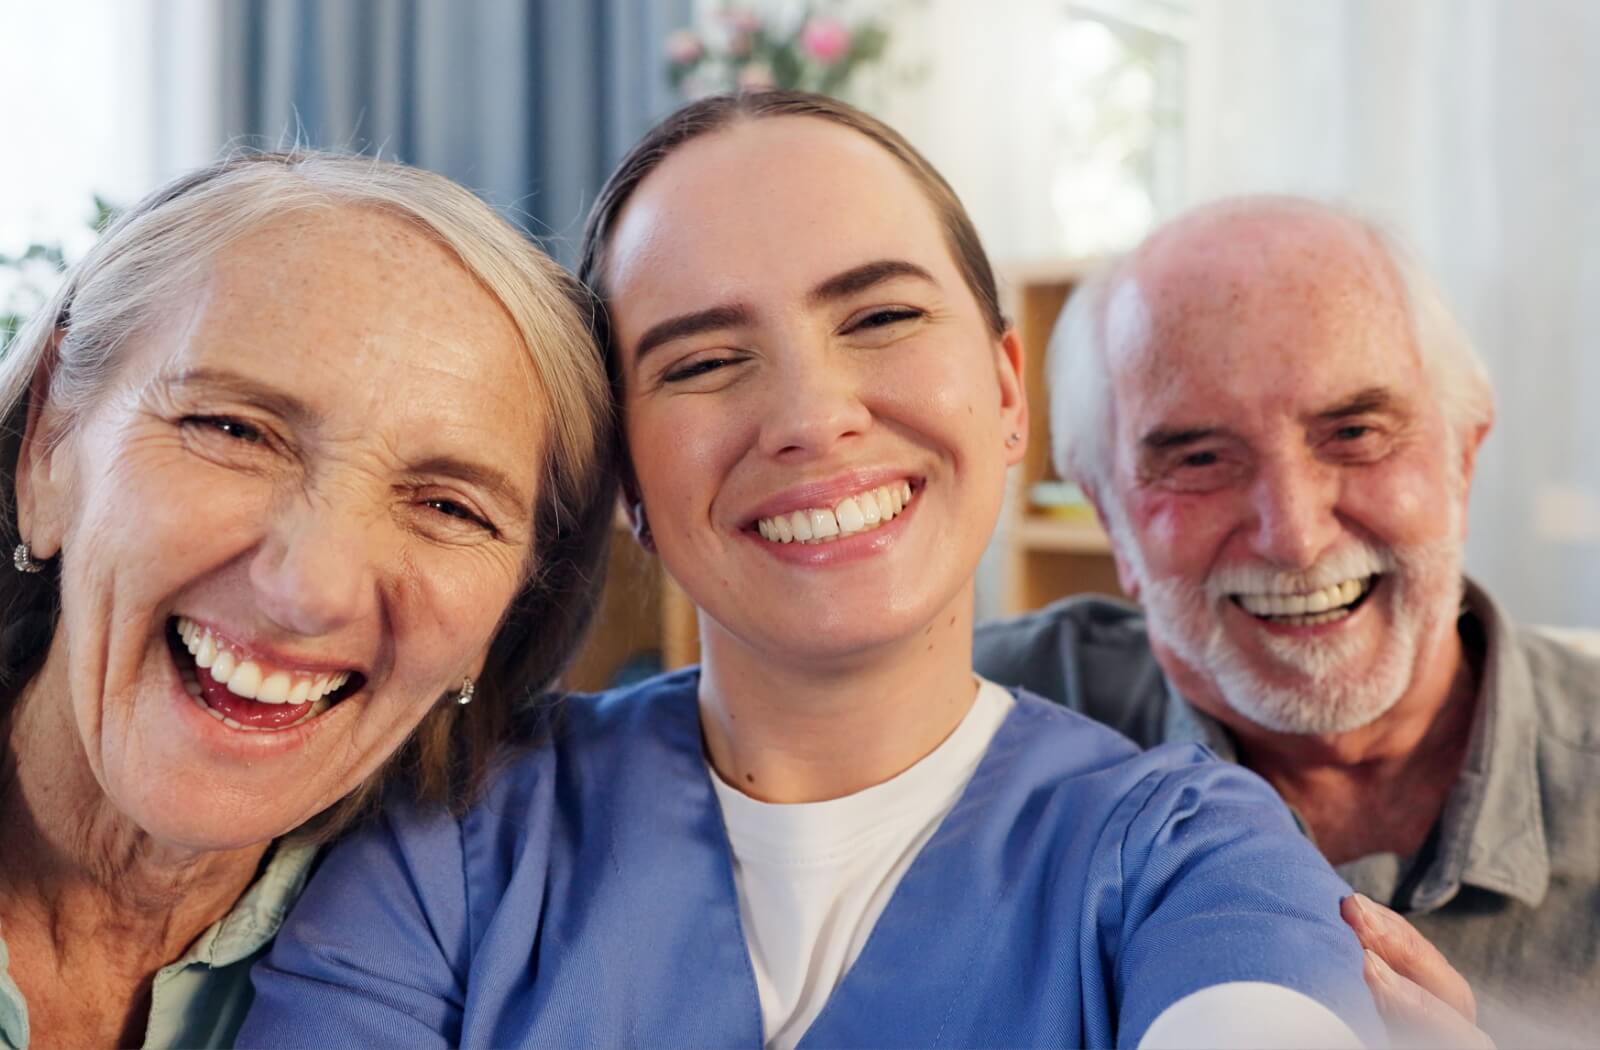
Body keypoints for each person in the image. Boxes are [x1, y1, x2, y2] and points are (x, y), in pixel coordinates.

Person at [241, 94, 1382, 1049]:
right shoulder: (452, 840)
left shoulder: (1193, 856)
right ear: (624, 480)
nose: (810, 417)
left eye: (880, 315)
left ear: (1003, 392)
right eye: (703, 360)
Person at [0, 149, 615, 1047]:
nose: (308, 593)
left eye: (449, 507)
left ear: (501, 617)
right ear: (53, 443)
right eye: (234, 430)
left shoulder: (513, 957)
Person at [973, 196, 1600, 1045]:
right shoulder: (972, 726)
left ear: (1462, 456)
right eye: (1199, 458)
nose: (1295, 538)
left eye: (1354, 432)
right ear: (1110, 517)